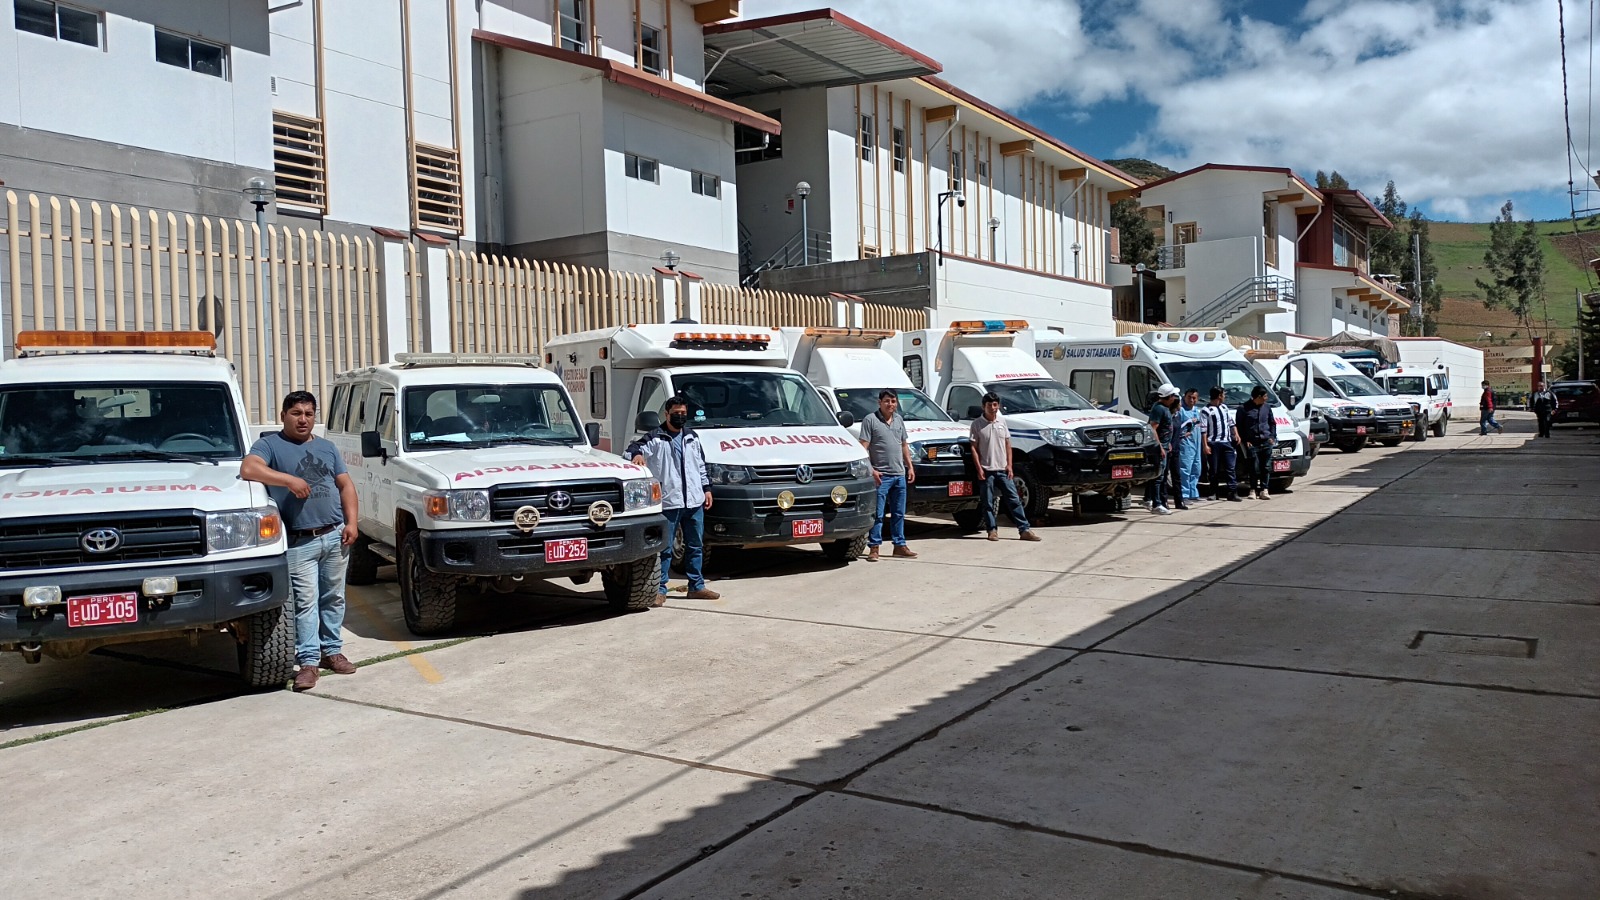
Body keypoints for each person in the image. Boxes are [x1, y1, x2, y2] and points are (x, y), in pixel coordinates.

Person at [241, 391, 359, 692]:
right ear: (283, 416)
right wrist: (288, 480)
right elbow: (249, 468)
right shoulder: (269, 445)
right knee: (305, 603)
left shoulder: (327, 448)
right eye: (296, 413)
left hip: (334, 535)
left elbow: (345, 485)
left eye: (309, 413)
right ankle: (308, 662)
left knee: (333, 598)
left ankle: (331, 651)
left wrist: (352, 523)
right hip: (298, 542)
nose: (303, 419)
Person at [628, 396, 719, 604]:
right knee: (665, 549)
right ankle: (660, 590)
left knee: (695, 546)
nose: (680, 418)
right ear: (666, 415)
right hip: (670, 503)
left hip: (694, 502)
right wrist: (637, 455)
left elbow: (701, 466)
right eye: (676, 414)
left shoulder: (692, 437)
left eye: (683, 414)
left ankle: (696, 587)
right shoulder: (655, 438)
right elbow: (631, 450)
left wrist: (706, 489)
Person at [969, 392, 1043, 542]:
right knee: (988, 502)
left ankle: (1024, 530)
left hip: (1003, 470)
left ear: (999, 406)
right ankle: (992, 530)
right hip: (986, 470)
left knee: (1014, 500)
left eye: (995, 405)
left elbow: (1008, 445)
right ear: (984, 407)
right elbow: (974, 448)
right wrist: (979, 469)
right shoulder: (977, 424)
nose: (993, 408)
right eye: (989, 405)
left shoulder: (1002, 422)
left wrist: (1009, 465)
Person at [858, 389, 917, 561]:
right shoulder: (870, 420)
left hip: (899, 474)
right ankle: (874, 547)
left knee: (899, 513)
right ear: (879, 402)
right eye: (887, 401)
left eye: (893, 401)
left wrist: (910, 467)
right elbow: (863, 447)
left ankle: (900, 545)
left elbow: (904, 445)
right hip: (881, 477)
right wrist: (871, 470)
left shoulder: (899, 419)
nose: (890, 404)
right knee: (878, 513)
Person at [1144, 383, 1180, 515]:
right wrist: (1160, 447)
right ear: (1168, 397)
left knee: (1161, 476)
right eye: (1173, 396)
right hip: (1160, 449)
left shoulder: (1165, 408)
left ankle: (1152, 501)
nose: (1174, 398)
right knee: (1158, 477)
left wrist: (1167, 443)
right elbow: (1153, 428)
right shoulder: (1159, 409)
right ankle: (1157, 504)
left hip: (1165, 446)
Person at [1200, 386, 1242, 501]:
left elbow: (1231, 422)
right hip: (1214, 443)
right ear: (1219, 396)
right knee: (1213, 469)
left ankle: (1232, 492)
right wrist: (1205, 445)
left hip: (1227, 442)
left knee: (1230, 468)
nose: (1224, 397)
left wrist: (1236, 434)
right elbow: (1203, 430)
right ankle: (1213, 492)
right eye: (1223, 394)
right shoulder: (1206, 410)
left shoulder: (1224, 408)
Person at [1236, 386, 1277, 500]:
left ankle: (1264, 489)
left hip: (1266, 441)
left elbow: (1272, 423)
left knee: (1266, 466)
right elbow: (1239, 427)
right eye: (1264, 396)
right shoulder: (1243, 408)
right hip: (1252, 443)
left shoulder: (1267, 408)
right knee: (1253, 467)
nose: (1266, 398)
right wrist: (1245, 440)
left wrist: (1272, 437)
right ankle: (1253, 489)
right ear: (1258, 397)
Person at [1174, 387, 1204, 507]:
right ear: (1184, 397)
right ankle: (1184, 494)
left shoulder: (1197, 410)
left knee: (1196, 468)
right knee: (1185, 469)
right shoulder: (1181, 411)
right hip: (1186, 443)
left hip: (1196, 443)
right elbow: (1176, 426)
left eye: (1194, 398)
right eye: (1189, 397)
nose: (1192, 400)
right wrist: (1182, 434)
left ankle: (1193, 492)